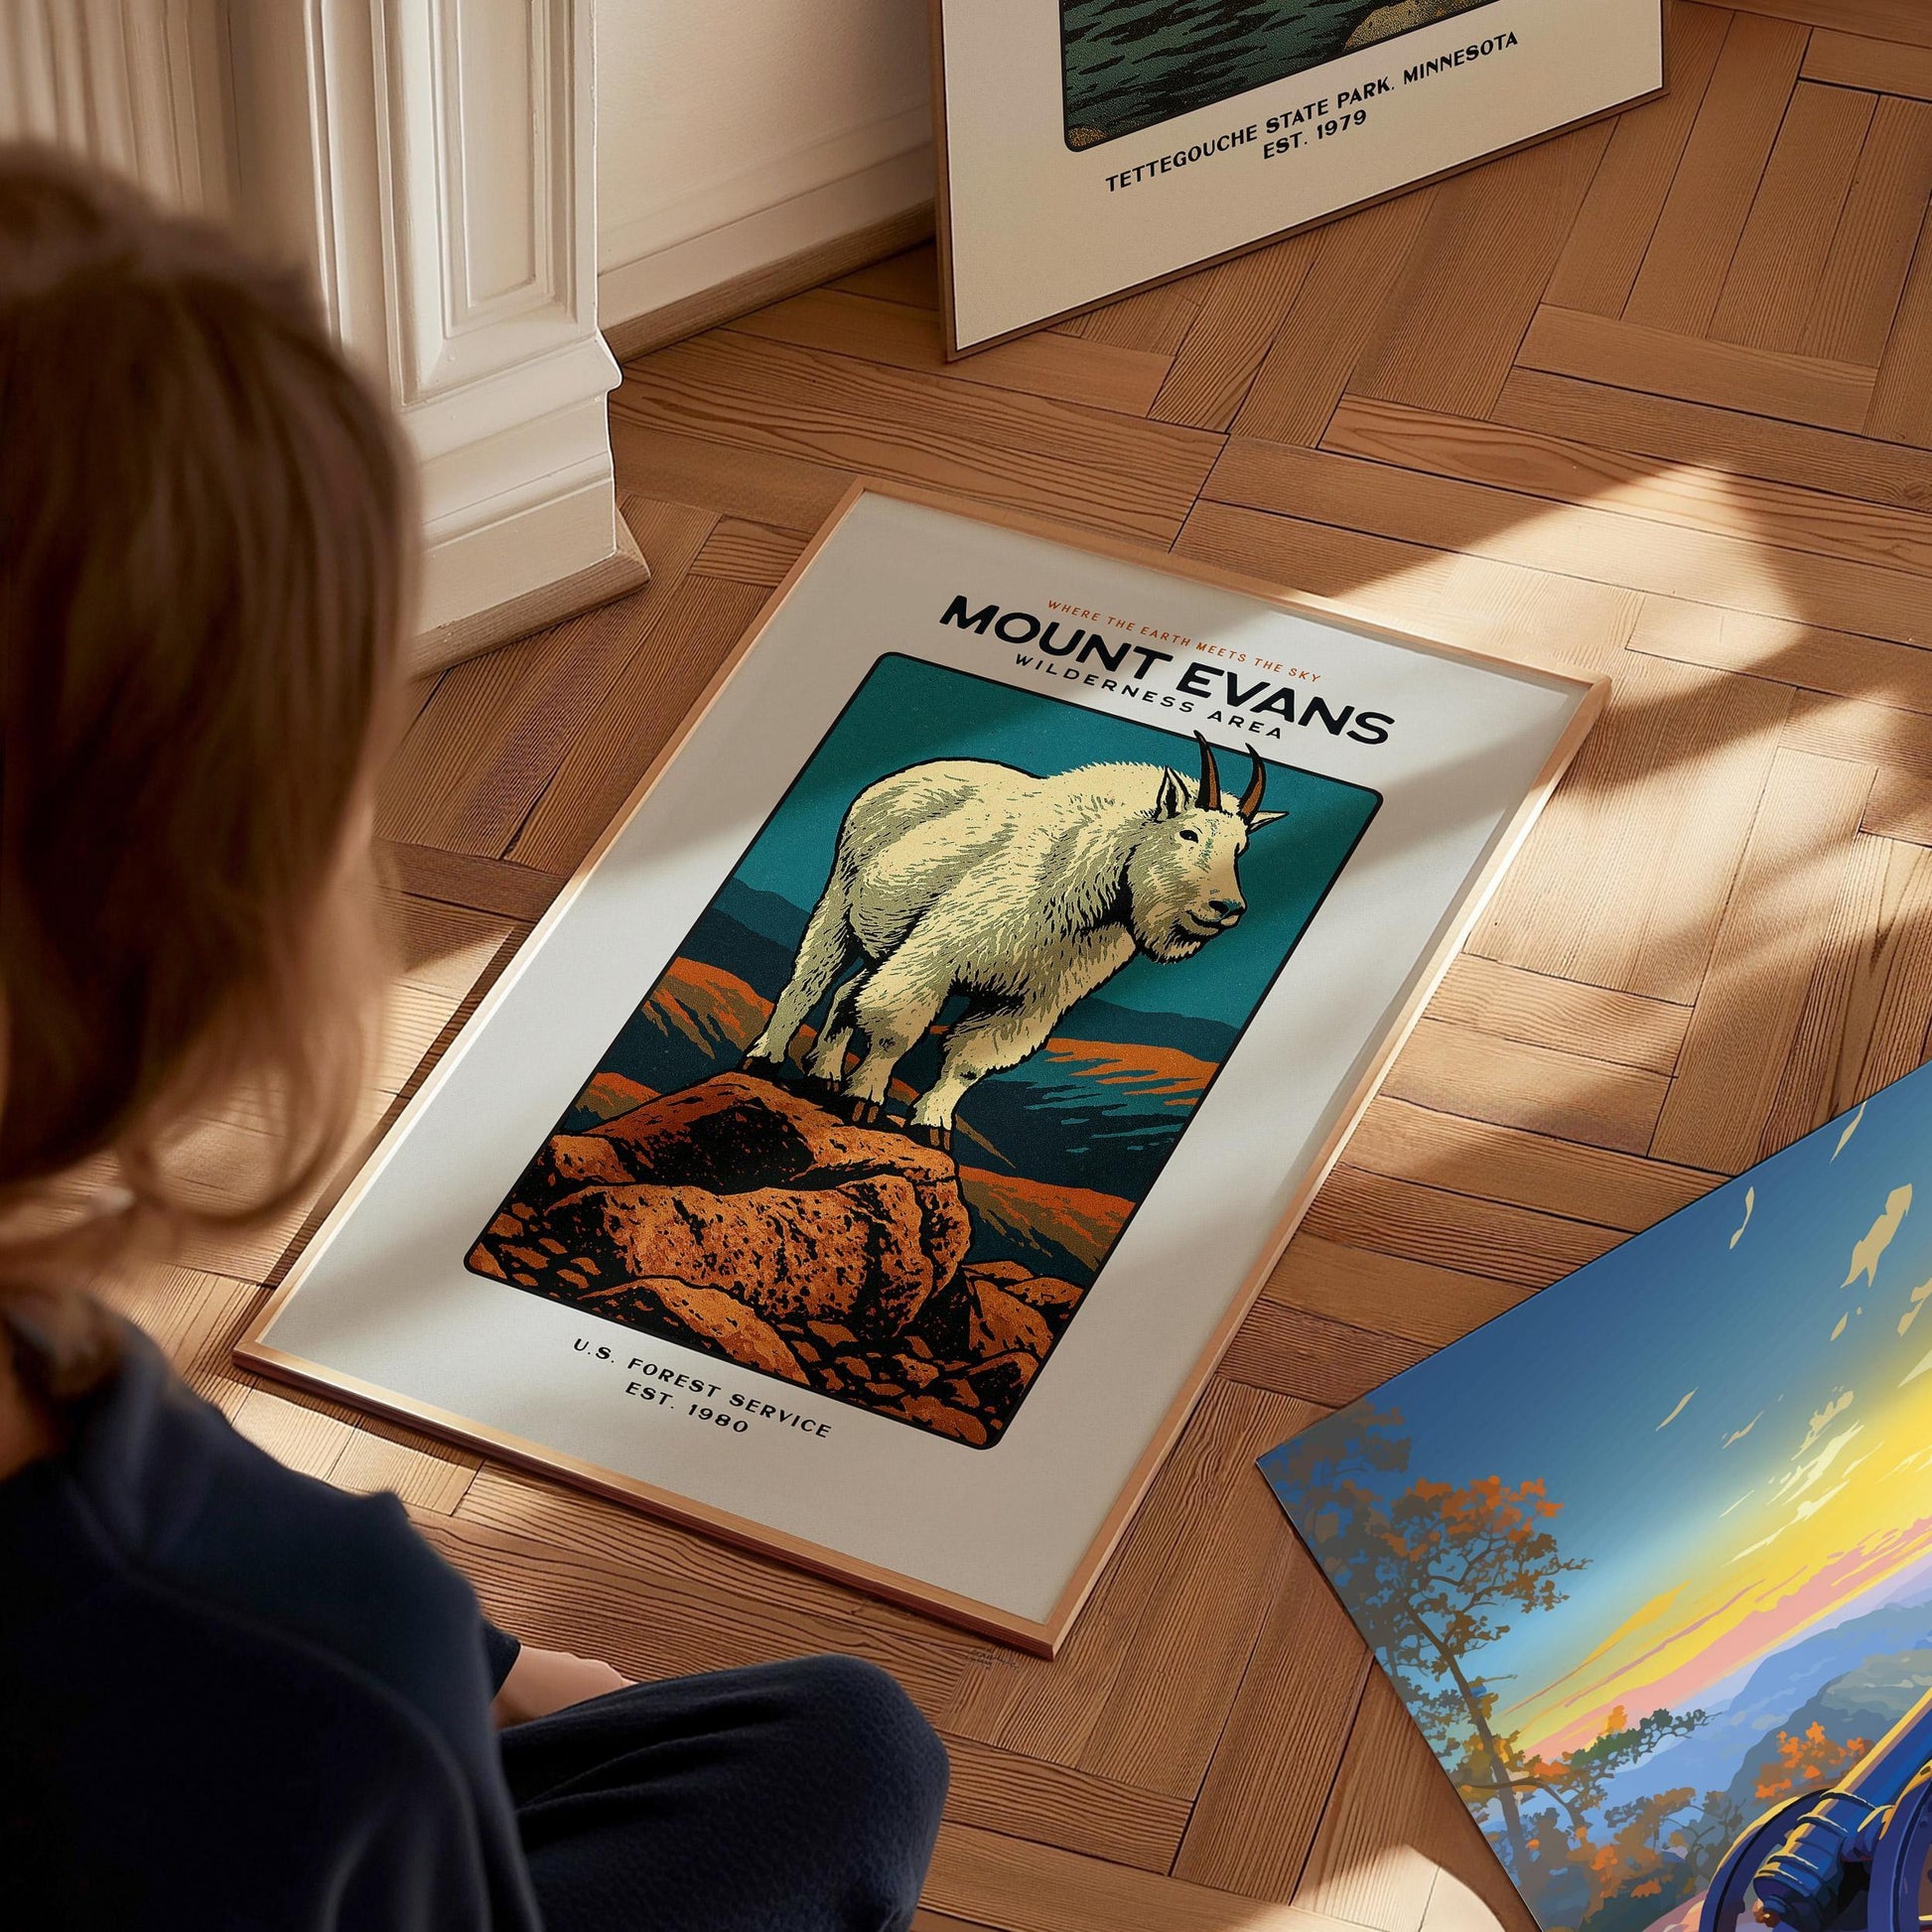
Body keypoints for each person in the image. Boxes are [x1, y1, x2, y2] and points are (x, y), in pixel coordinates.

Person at [0, 145, 949, 1930]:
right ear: (212, 924)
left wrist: (477, 1654)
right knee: (847, 1757)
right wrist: (425, 1673)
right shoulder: (306, 1685)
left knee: (824, 1748)